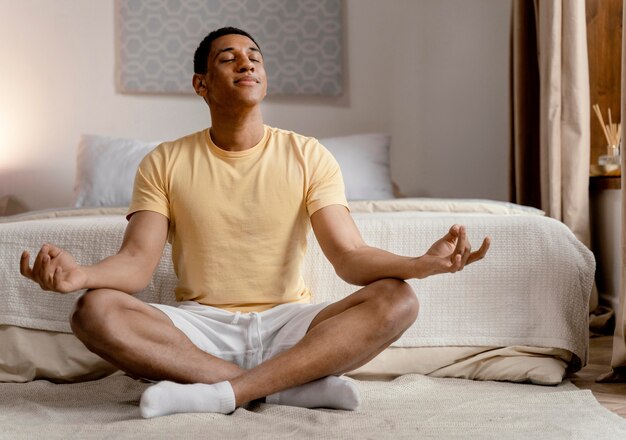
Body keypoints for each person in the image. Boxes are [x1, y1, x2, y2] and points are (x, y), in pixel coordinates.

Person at [20, 27, 490, 418]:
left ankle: (223, 392)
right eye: (229, 58)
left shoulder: (309, 155)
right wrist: (82, 276)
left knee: (398, 299)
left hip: (290, 323)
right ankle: (284, 387)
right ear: (201, 84)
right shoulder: (164, 161)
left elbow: (349, 257)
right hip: (200, 327)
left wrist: (419, 264)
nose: (247, 64)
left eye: (254, 58)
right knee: (93, 310)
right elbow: (137, 262)